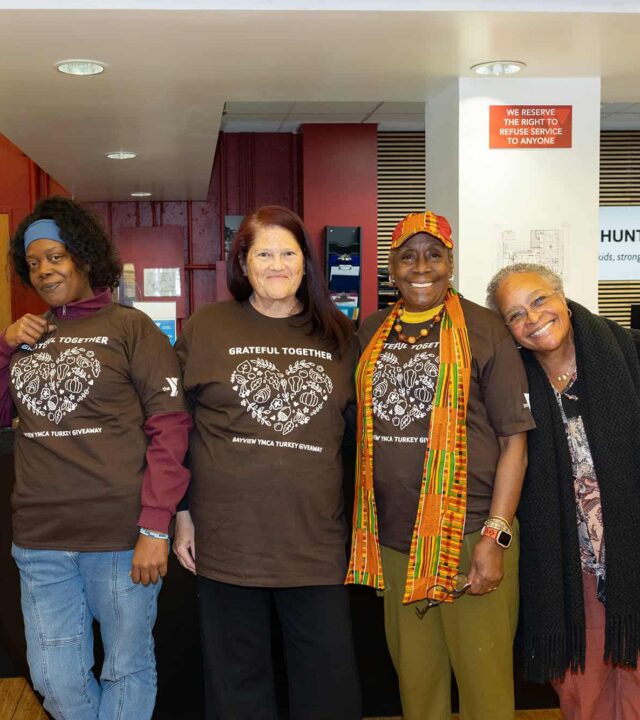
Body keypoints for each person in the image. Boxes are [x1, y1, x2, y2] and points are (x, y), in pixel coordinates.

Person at [0, 196, 191, 720]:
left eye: (55, 257)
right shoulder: (27, 339)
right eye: (34, 263)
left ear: (82, 257)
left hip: (118, 540)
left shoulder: (133, 330)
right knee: (54, 681)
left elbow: (170, 429)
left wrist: (155, 529)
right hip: (39, 543)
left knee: (125, 668)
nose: (44, 271)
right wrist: (4, 346)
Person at [173, 205, 361, 720]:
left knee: (329, 689)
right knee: (237, 688)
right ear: (242, 263)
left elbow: (361, 437)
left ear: (306, 263)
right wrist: (181, 512)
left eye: (287, 253)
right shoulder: (207, 327)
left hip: (315, 542)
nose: (276, 265)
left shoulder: (340, 335)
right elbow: (176, 428)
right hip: (228, 540)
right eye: (263, 254)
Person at [346, 211, 535, 720]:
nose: (421, 266)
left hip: (472, 534)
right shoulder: (369, 333)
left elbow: (514, 439)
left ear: (450, 263)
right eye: (408, 256)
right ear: (391, 267)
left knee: (485, 691)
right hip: (396, 541)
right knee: (418, 687)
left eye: (434, 255)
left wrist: (495, 538)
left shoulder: (485, 328)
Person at [486, 262, 640, 720]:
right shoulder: (507, 382)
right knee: (582, 690)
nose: (532, 318)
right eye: (515, 315)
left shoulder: (627, 354)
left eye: (539, 301)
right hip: (569, 568)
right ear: (508, 331)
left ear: (563, 299)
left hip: (632, 552)